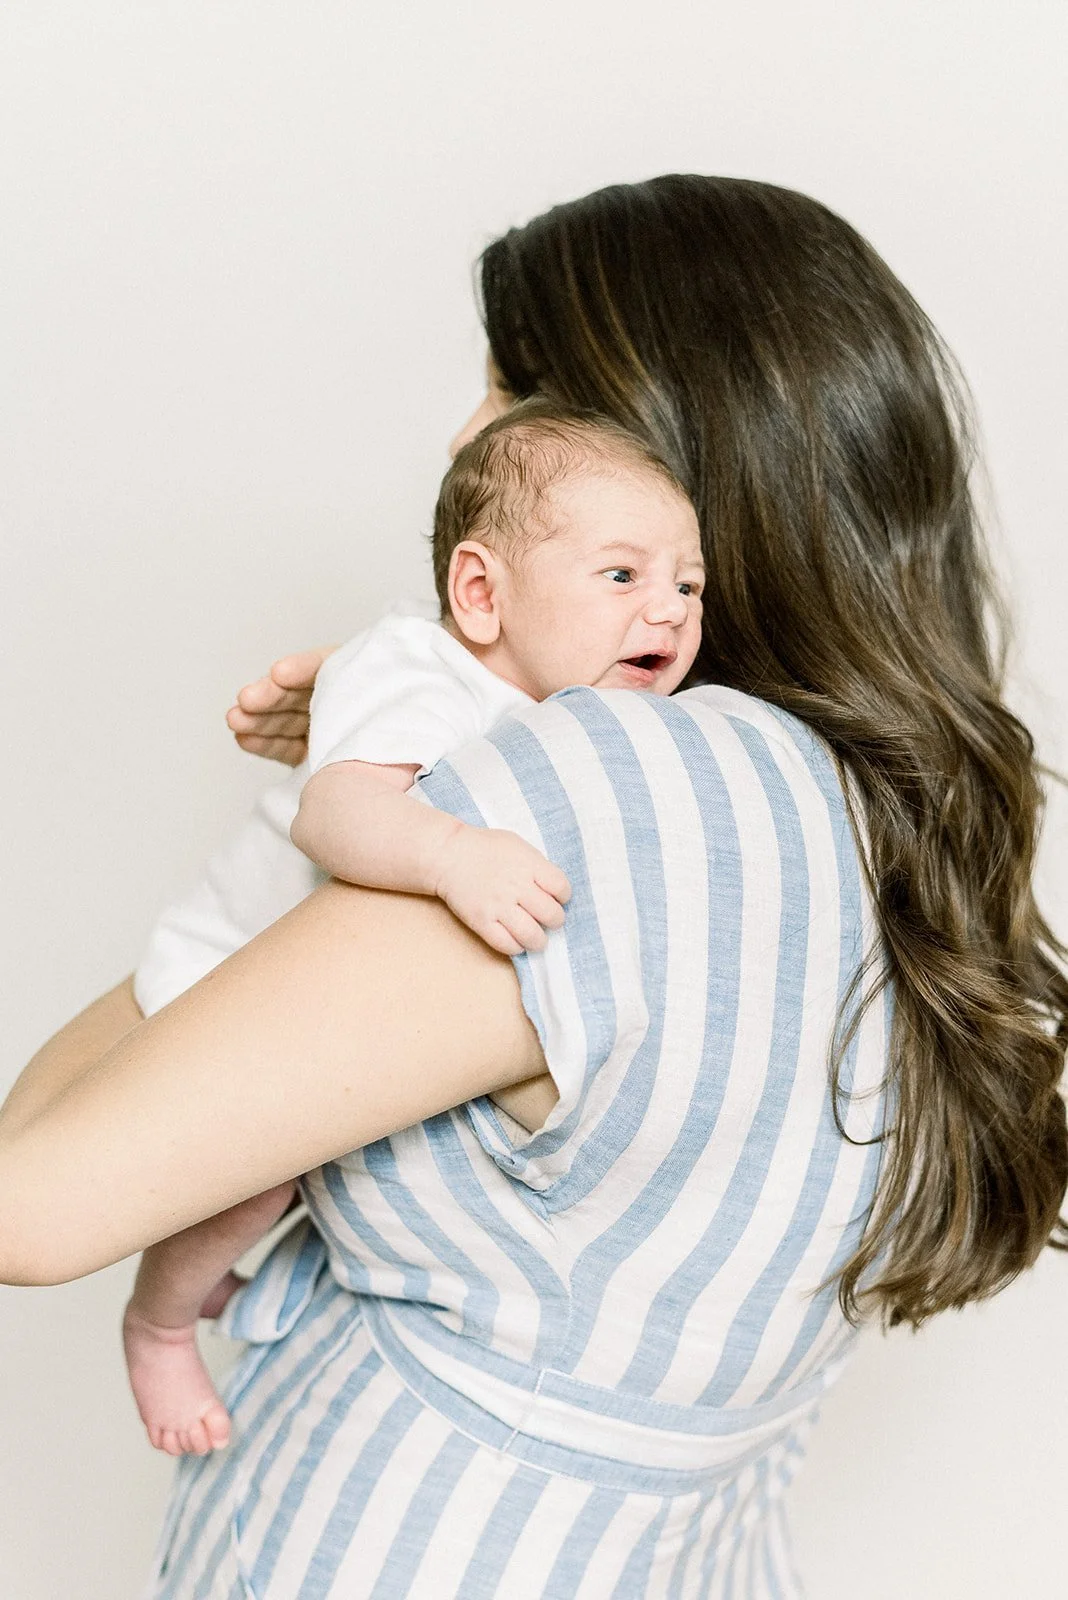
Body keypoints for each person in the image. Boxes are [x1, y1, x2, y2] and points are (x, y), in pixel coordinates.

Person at [2, 175, 1065, 1600]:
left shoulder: (588, 786)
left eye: (515, 389)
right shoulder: (873, 813)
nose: (466, 435)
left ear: (670, 447)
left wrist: (346, 806)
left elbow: (36, 1197)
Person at [122, 400, 705, 1459]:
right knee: (263, 1168)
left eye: (688, 584)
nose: (665, 611)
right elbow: (335, 814)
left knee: (355, 1161)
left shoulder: (568, 703)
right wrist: (452, 854)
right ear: (480, 593)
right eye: (624, 577)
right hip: (228, 970)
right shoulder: (412, 668)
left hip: (334, 999)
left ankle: (220, 1280)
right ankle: (159, 1322)